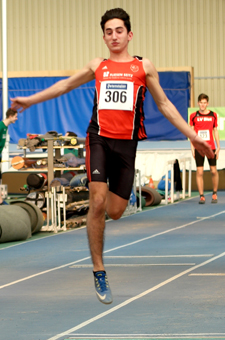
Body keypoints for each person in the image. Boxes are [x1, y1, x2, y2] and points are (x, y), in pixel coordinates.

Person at [10, 8, 213, 304]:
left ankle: (104, 217)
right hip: (99, 139)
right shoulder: (98, 66)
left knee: (115, 210)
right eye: (108, 31)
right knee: (97, 201)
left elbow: (166, 105)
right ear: (103, 37)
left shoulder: (143, 67)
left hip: (127, 145)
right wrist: (30, 99)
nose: (114, 36)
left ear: (129, 35)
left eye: (119, 30)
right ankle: (99, 269)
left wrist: (193, 136)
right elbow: (64, 85)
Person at [190, 93, 220, 204]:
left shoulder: (213, 115)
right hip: (198, 147)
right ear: (198, 103)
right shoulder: (193, 115)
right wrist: (192, 148)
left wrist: (218, 146)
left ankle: (215, 193)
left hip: (211, 147)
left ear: (207, 104)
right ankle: (201, 196)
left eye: (204, 103)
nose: (202, 105)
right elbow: (191, 132)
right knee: (200, 172)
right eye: (201, 103)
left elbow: (215, 131)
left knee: (213, 170)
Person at [0, 108, 18, 189]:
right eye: (15, 116)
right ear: (10, 116)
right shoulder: (1, 126)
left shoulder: (5, 127)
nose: (16, 118)